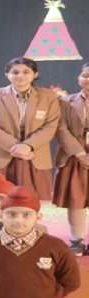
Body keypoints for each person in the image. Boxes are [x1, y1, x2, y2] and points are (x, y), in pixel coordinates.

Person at [0, 57, 60, 200]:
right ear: (7, 75)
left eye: (26, 72)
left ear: (35, 74)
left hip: (34, 154)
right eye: (15, 72)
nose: (20, 76)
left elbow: (50, 126)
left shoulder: (48, 96)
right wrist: (16, 147)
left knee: (34, 202)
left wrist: (28, 146)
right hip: (1, 154)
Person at [52, 63, 89, 254]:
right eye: (86, 75)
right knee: (76, 199)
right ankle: (77, 240)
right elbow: (61, 129)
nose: (88, 80)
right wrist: (80, 153)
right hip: (74, 155)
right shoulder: (66, 101)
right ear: (79, 78)